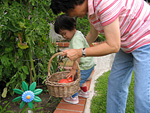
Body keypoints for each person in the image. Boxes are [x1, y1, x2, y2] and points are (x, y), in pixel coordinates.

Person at [51, 0, 150, 112]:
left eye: (68, 11)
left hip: (146, 40)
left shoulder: (104, 4)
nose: (70, 15)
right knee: (115, 85)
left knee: (142, 94)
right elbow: (94, 34)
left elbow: (113, 46)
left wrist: (80, 52)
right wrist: (78, 49)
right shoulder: (92, 10)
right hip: (127, 43)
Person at [54, 14, 95, 104]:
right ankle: (85, 92)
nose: (64, 36)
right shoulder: (78, 34)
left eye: (64, 33)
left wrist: (73, 70)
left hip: (84, 66)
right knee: (81, 79)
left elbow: (78, 55)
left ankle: (73, 97)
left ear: (72, 27)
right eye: (62, 35)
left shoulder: (75, 39)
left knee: (75, 82)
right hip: (88, 64)